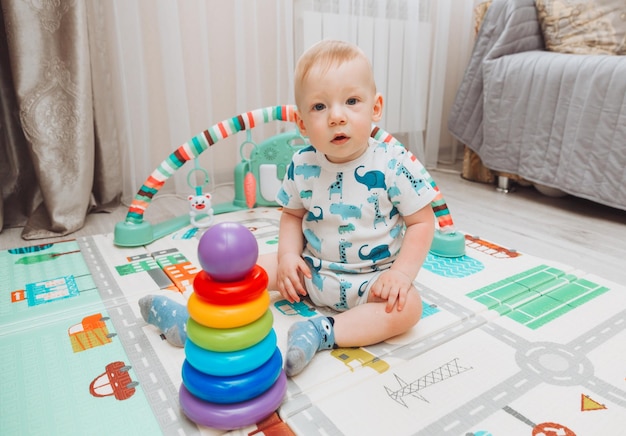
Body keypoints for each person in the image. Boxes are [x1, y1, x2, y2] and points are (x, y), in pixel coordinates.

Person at [258, 39, 437, 377]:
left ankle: (323, 331)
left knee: (409, 309)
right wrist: (287, 258)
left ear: (375, 107)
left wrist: (399, 275)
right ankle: (207, 305)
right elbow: (292, 216)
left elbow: (422, 223)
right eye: (319, 107)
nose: (337, 117)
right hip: (310, 272)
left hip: (372, 284)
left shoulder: (394, 164)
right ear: (301, 123)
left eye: (352, 101)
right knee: (251, 264)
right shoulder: (302, 163)